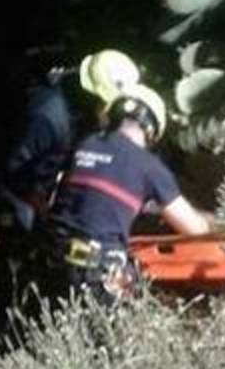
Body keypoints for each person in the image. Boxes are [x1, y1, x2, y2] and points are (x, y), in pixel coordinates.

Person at [31, 83, 215, 306]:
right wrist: (211, 222)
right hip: (96, 274)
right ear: (151, 130)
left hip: (48, 263)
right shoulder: (150, 167)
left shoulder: (83, 146)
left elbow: (59, 197)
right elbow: (194, 229)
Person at [0, 49, 141, 232]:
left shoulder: (77, 111)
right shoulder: (48, 117)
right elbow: (10, 172)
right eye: (107, 105)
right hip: (17, 191)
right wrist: (42, 208)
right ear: (91, 96)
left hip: (44, 182)